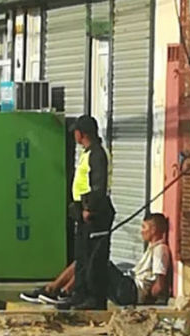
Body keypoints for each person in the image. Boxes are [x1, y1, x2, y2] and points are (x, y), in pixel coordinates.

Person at [20, 214, 171, 307]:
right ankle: (55, 290)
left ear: (154, 230)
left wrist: (148, 300)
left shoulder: (160, 250)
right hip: (127, 288)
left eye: (144, 227)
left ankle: (65, 292)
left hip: (131, 292)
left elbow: (159, 284)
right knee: (85, 260)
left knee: (99, 262)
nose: (141, 231)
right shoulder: (152, 248)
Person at [63, 115, 115, 310]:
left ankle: (94, 298)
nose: (74, 135)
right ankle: (80, 293)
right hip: (82, 212)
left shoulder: (97, 154)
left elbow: (98, 186)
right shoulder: (88, 153)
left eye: (76, 132)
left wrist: (88, 208)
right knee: (83, 256)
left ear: (82, 133)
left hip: (95, 214)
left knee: (95, 258)